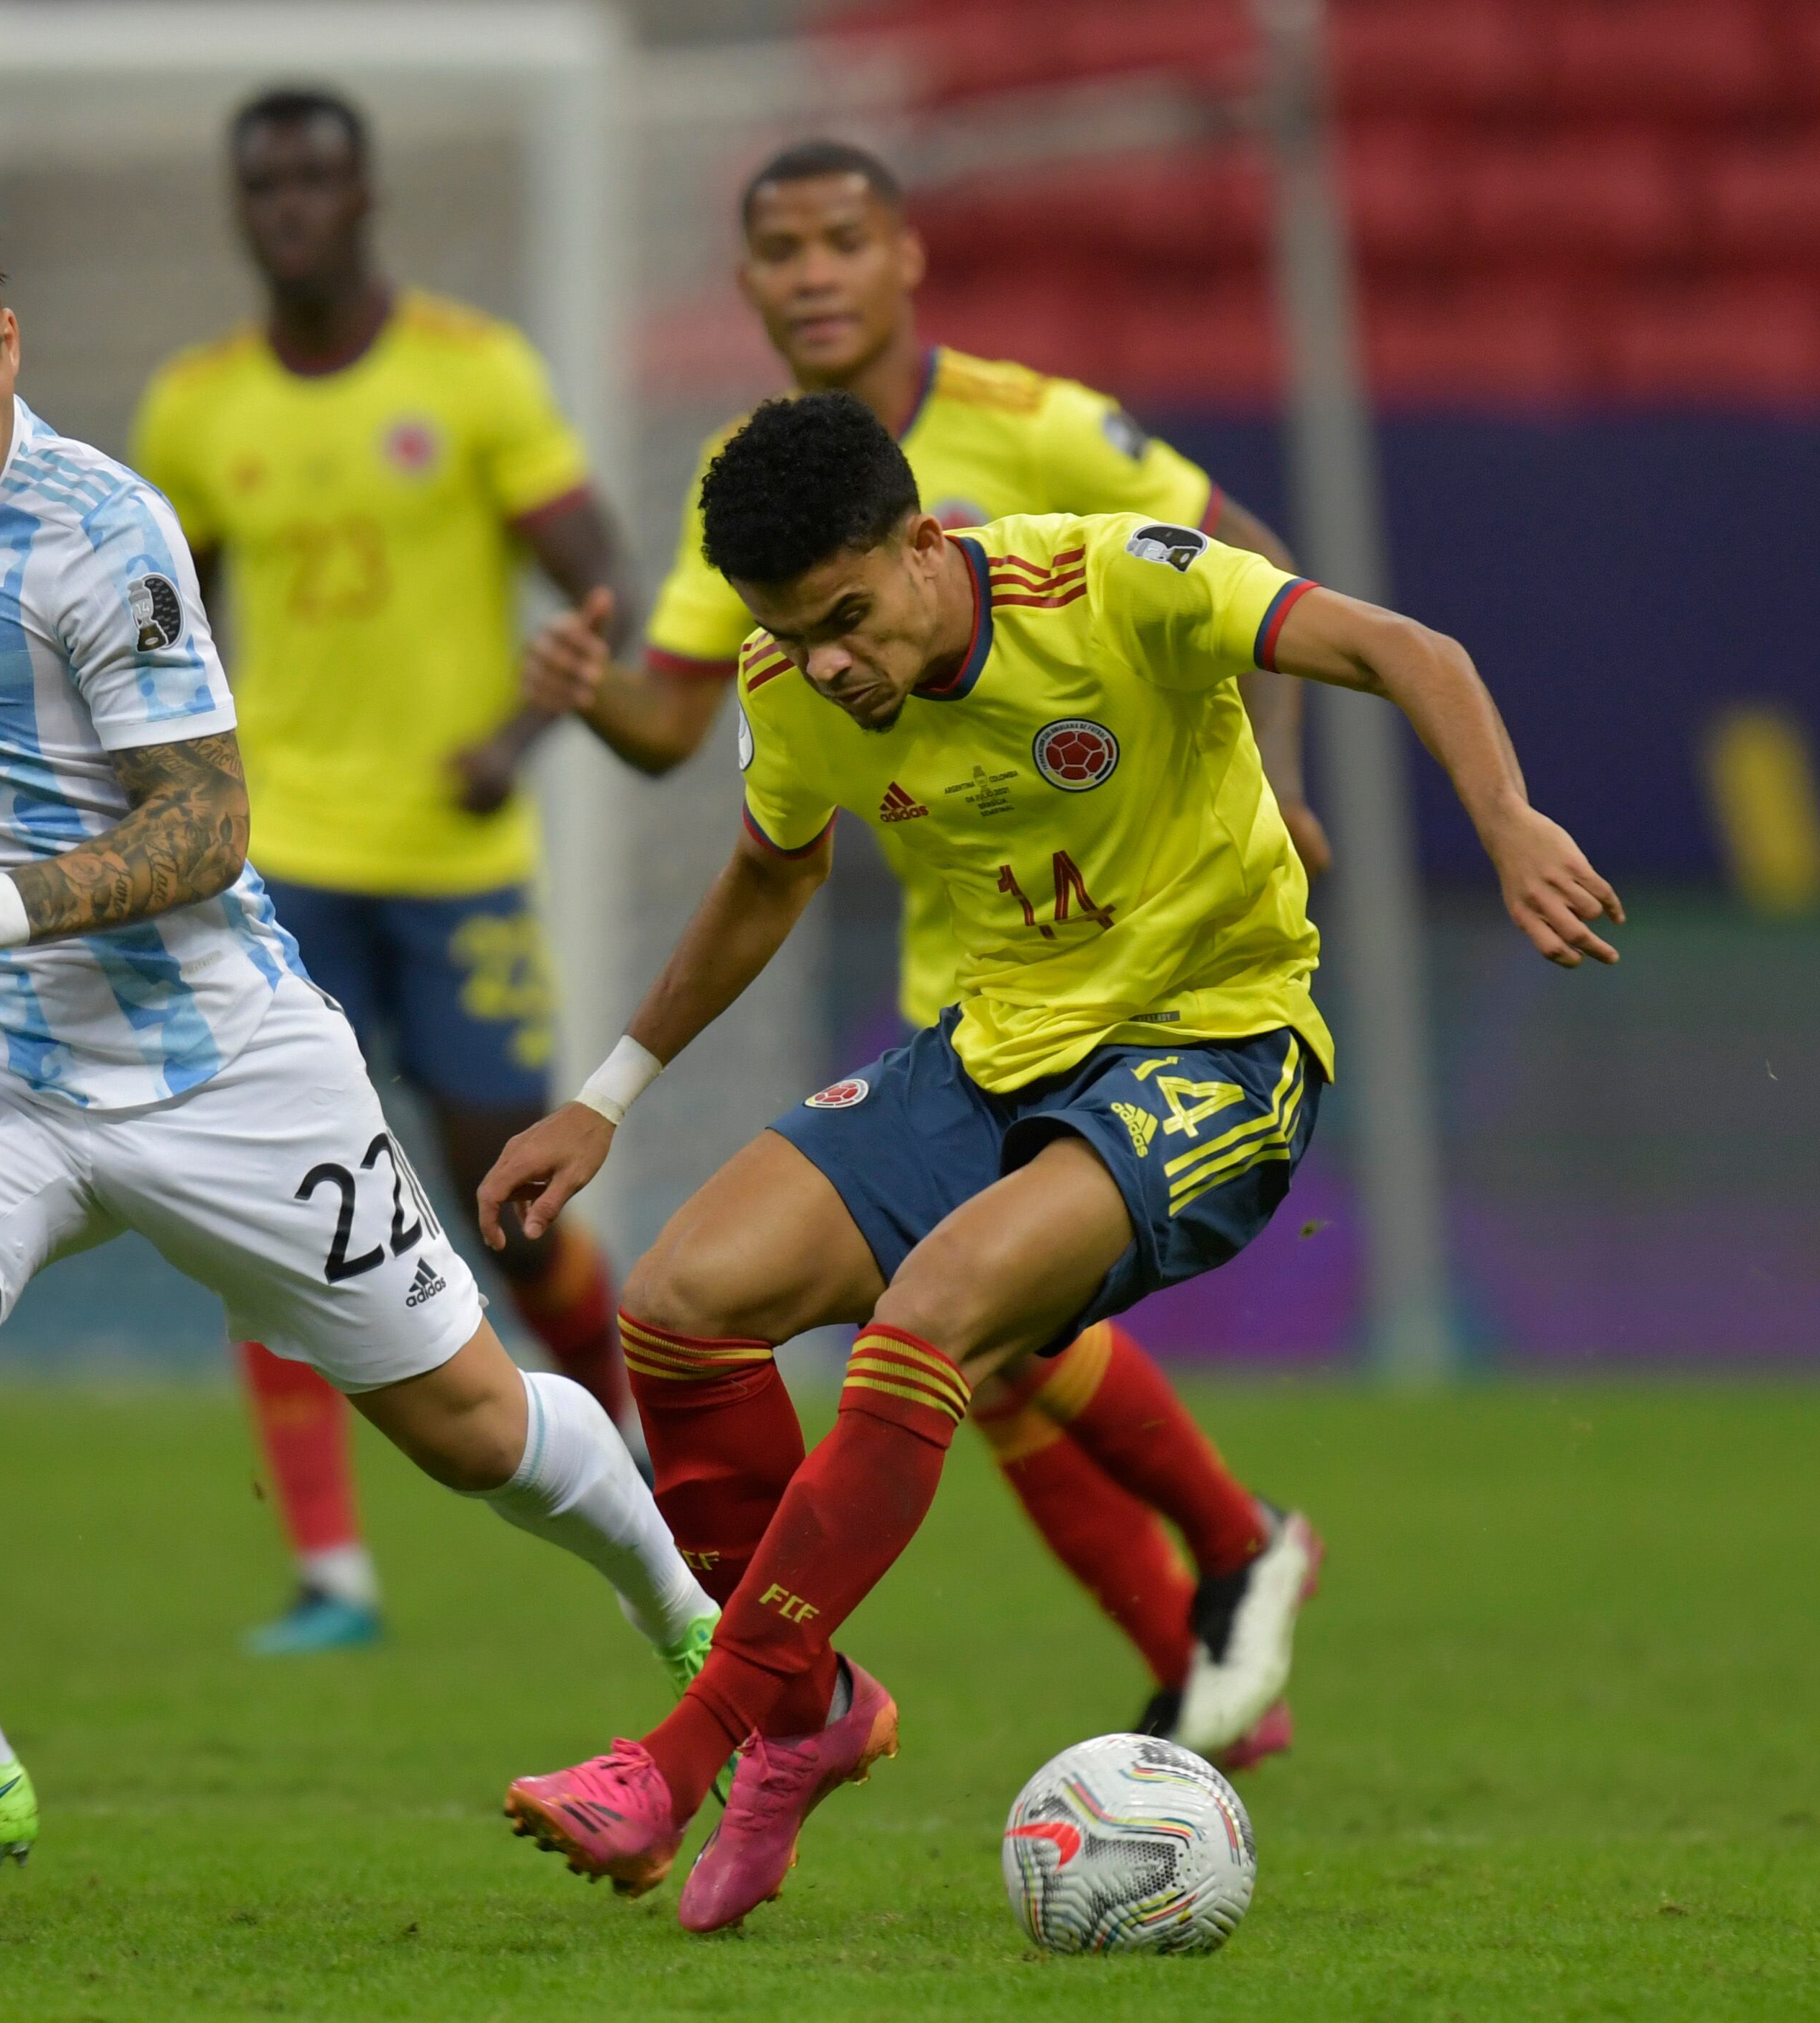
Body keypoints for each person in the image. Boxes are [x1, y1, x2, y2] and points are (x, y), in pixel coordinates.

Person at [0, 176, 715, 1888]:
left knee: (474, 1433)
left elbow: (208, 825)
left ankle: (699, 1629)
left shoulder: (98, 532)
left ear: (12, 340)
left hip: (216, 1067)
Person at [487, 392, 1622, 1931]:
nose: (825, 660)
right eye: (789, 630)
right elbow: (770, 870)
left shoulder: (1110, 584)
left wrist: (1507, 822)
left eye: (845, 616)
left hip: (1217, 1047)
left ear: (922, 543)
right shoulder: (793, 678)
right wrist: (605, 1095)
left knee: (934, 1311)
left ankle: (682, 1758)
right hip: (995, 1049)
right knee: (683, 1301)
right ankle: (811, 1708)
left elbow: (1411, 651)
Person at [524, 138, 1324, 1754]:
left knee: (986, 1342)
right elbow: (689, 733)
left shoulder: (1036, 431)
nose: (811, 272)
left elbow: (1242, 565)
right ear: (746, 283)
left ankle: (1225, 1584)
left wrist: (1282, 788)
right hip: (971, 986)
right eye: (778, 249)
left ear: (905, 260)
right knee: (997, 1352)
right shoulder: (752, 501)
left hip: (1149, 963)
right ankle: (1219, 1624)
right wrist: (591, 693)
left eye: (840, 240)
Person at [130, 86, 646, 1657]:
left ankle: (644, 1445)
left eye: (316, 179)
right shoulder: (193, 410)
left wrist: (523, 723)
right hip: (277, 867)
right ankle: (331, 1572)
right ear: (241, 207)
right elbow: (160, 636)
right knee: (266, 1202)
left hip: (455, 861)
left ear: (365, 200)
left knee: (516, 1203)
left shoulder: (472, 375)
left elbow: (606, 580)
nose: (289, 205)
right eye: (263, 182)